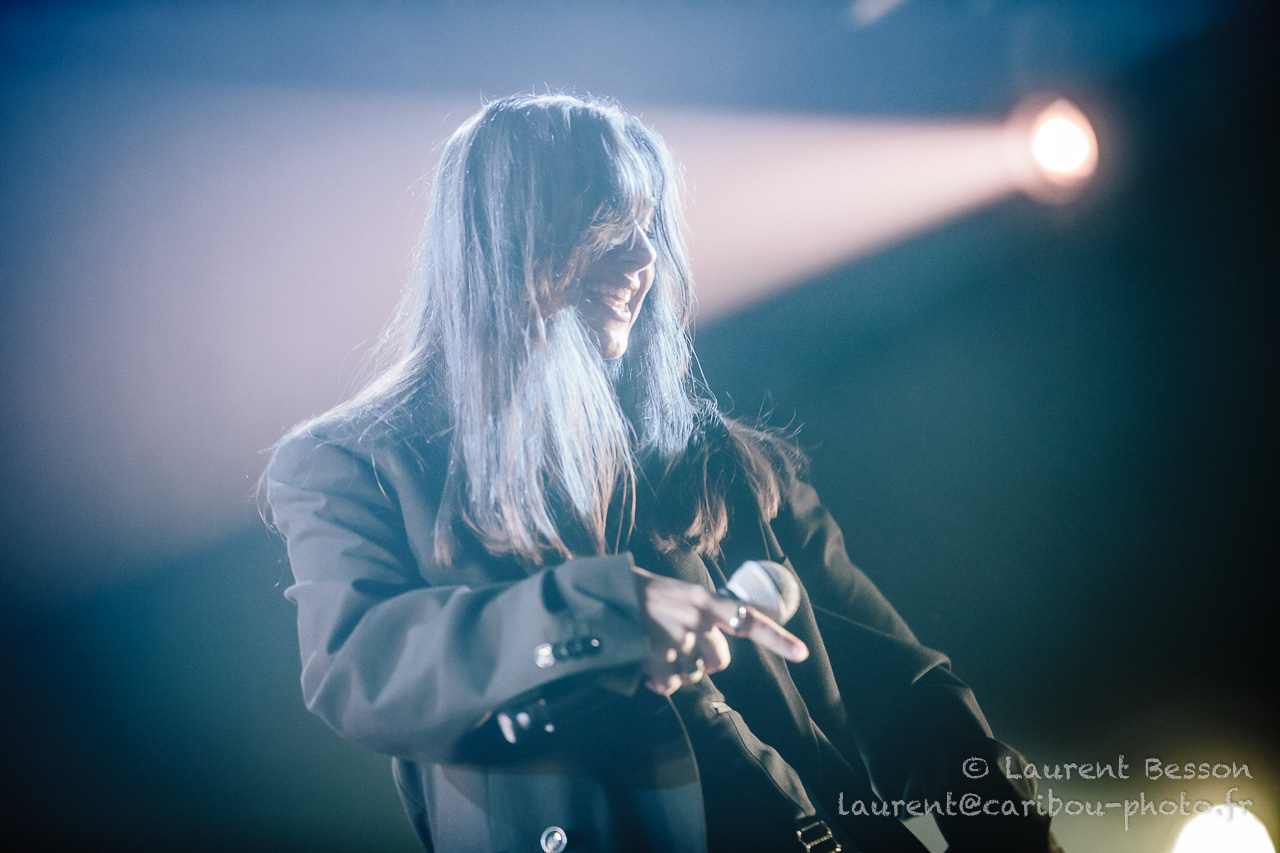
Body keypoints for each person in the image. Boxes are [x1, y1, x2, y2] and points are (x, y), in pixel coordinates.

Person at [265, 93, 1060, 853]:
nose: (643, 258)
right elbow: (361, 668)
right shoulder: (353, 461)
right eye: (610, 226)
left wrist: (1013, 831)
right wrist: (604, 615)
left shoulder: (718, 460)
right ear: (509, 243)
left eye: (648, 227)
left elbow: (906, 690)